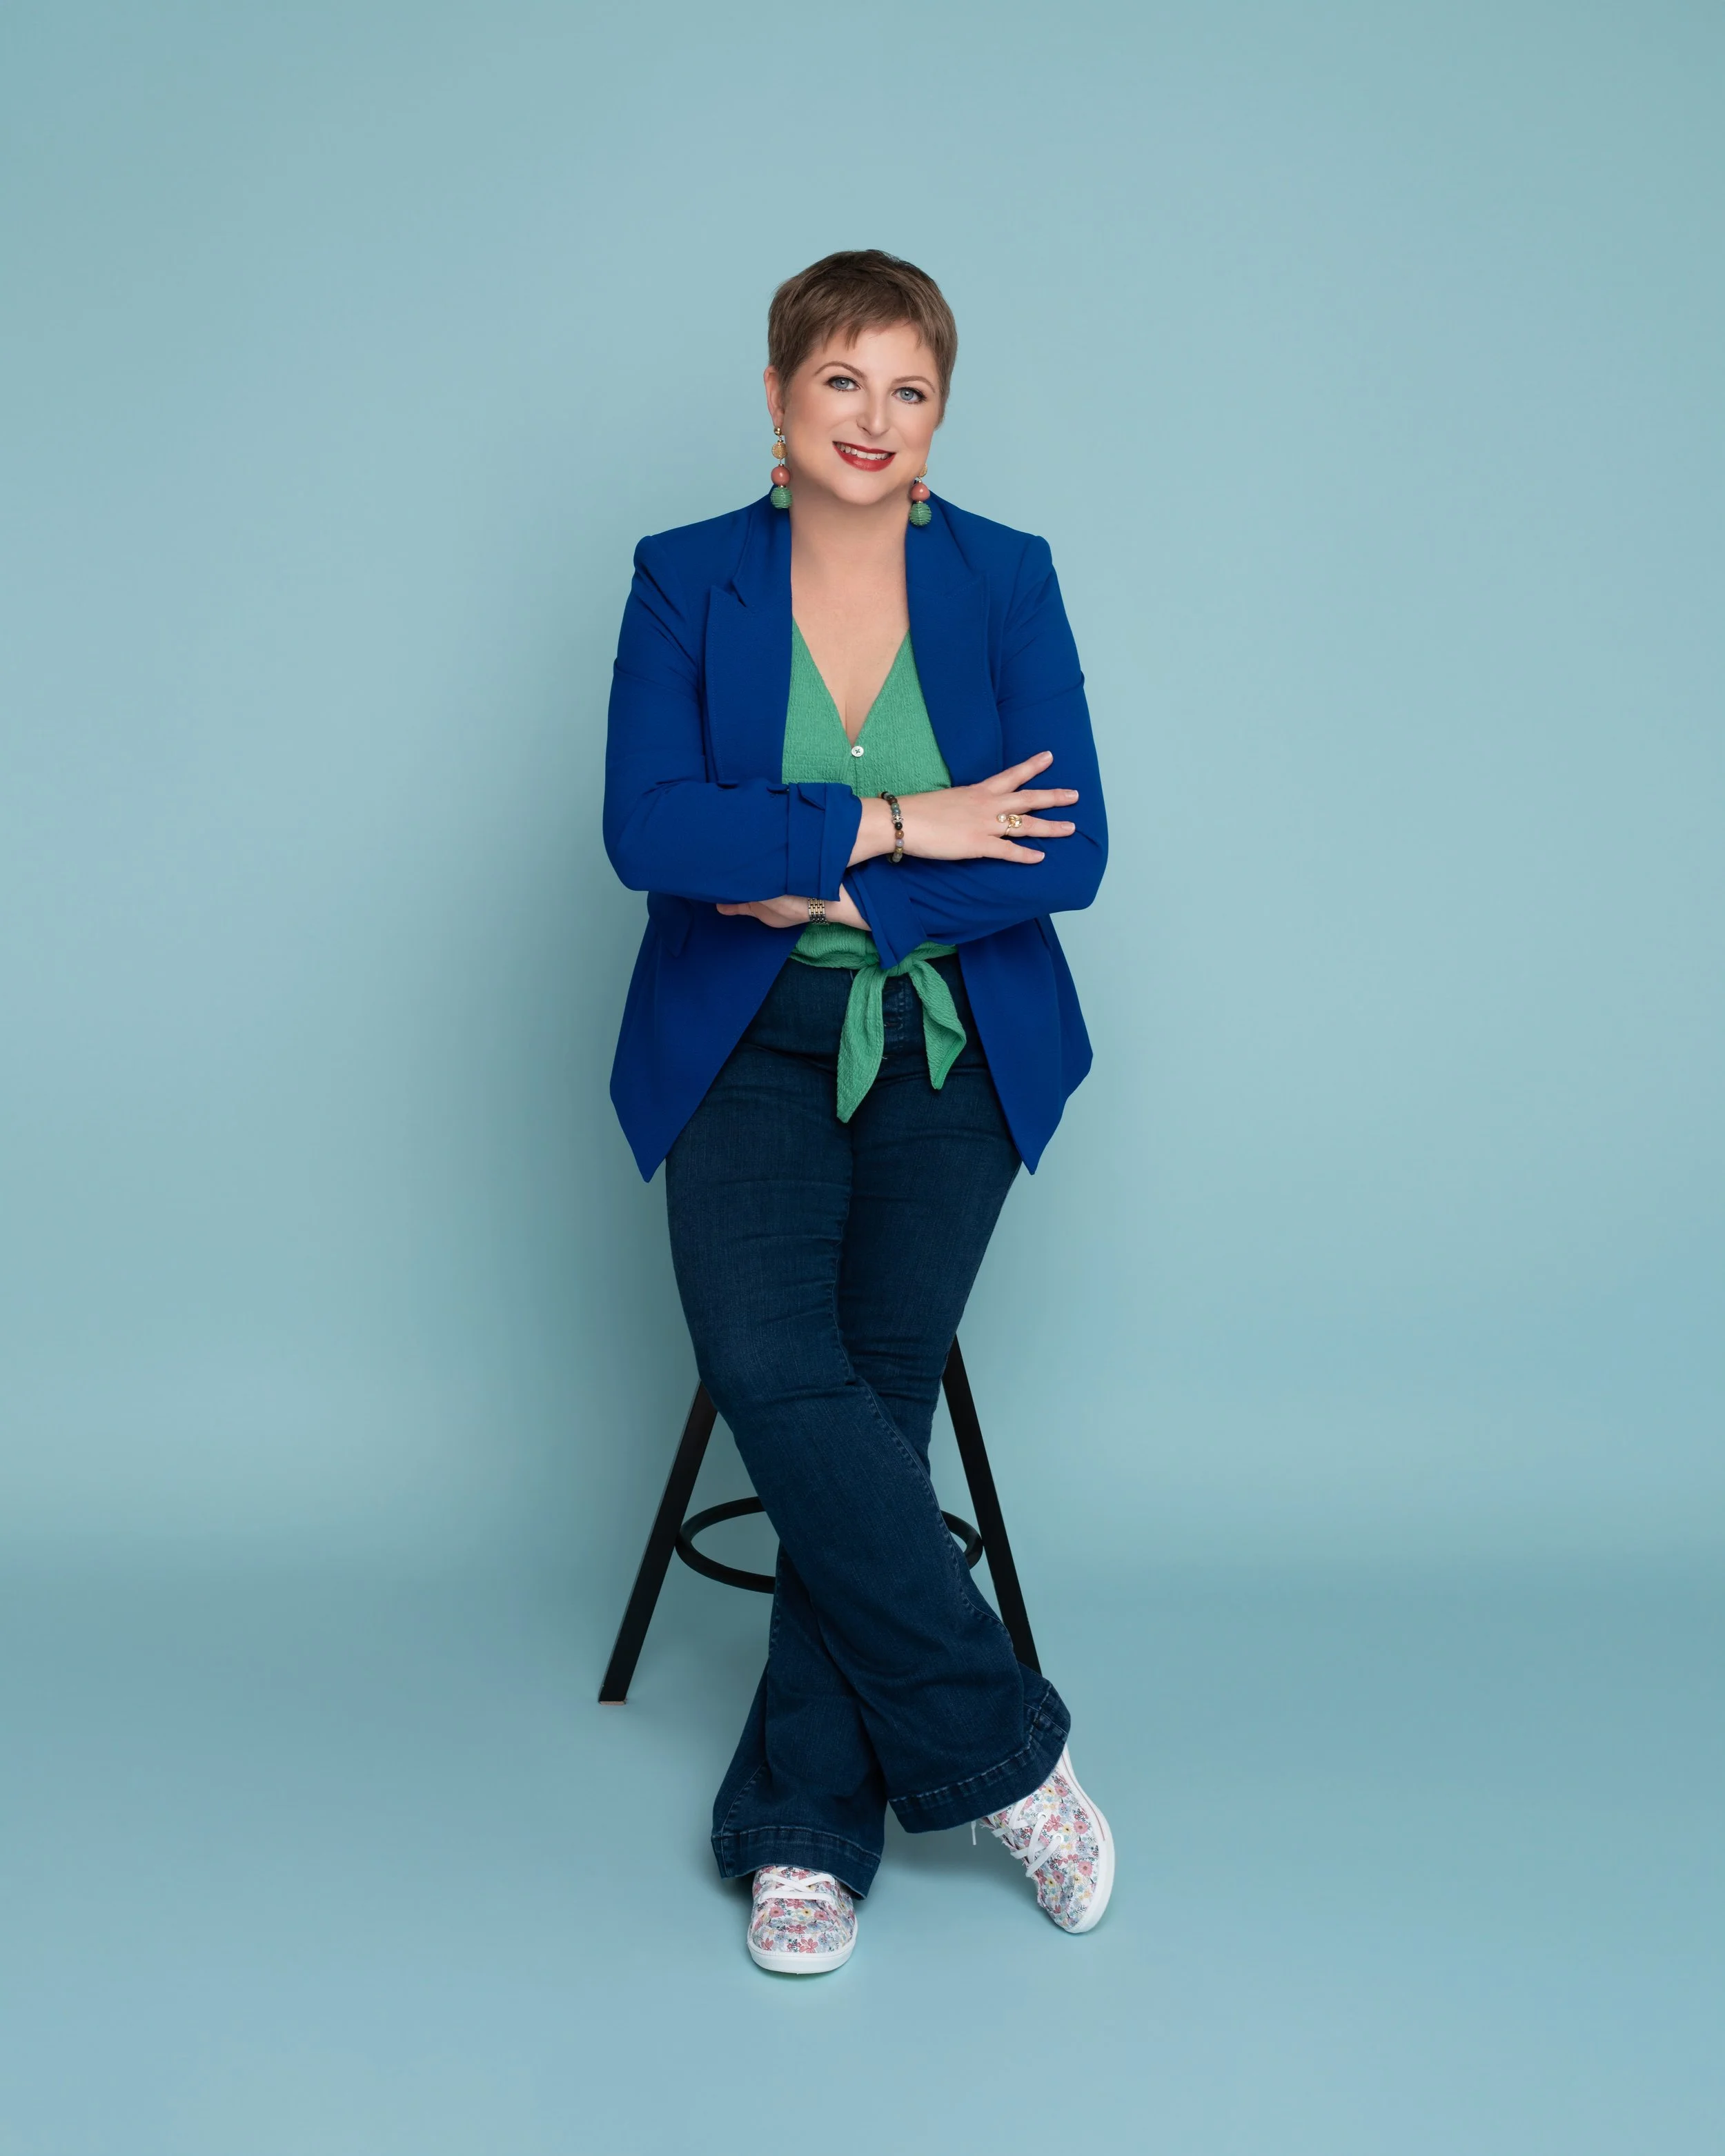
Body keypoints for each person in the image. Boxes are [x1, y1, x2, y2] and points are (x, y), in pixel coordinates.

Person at [602, 250, 1112, 1974]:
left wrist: (811, 873)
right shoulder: (684, 580)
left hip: (953, 1049)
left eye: (907, 390)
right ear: (775, 396)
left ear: (938, 414)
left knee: (868, 1403)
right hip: (742, 1047)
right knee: (777, 1366)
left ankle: (803, 1837)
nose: (872, 420)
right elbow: (650, 835)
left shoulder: (1005, 579)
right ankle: (1011, 1758)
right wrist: (900, 826)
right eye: (840, 382)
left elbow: (1071, 849)